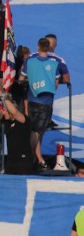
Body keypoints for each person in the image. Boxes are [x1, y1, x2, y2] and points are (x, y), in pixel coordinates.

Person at [20, 37, 69, 172]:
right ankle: (32, 159)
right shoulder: (55, 62)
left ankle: (34, 158)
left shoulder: (30, 60)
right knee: (37, 132)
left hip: (31, 100)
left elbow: (21, 78)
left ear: (37, 47)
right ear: (50, 47)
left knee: (33, 130)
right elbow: (60, 82)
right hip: (45, 102)